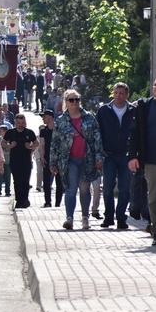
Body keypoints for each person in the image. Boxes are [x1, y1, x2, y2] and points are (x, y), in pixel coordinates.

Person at [49, 90, 103, 231]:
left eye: (77, 99)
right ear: (66, 102)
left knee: (85, 189)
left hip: (87, 160)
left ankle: (85, 217)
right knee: (71, 188)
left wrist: (99, 159)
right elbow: (54, 143)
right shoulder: (61, 121)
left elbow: (97, 140)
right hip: (69, 160)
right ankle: (69, 218)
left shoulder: (89, 119)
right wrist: (53, 163)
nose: (74, 102)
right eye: (71, 100)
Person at [128, 74, 156, 245]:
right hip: (152, 161)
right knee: (155, 198)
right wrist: (133, 156)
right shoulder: (145, 107)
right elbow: (134, 133)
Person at [97, 83, 134, 229]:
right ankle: (108, 217)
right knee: (107, 187)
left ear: (127, 95)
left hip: (126, 155)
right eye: (116, 93)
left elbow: (137, 133)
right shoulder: (104, 111)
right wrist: (99, 152)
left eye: (121, 93)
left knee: (124, 189)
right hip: (109, 155)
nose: (118, 96)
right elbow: (97, 133)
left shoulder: (133, 111)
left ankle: (121, 218)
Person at [3, 114, 38, 208]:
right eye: (18, 123)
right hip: (14, 161)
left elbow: (36, 143)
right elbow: (3, 142)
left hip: (26, 161)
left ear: (25, 123)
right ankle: (19, 200)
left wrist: (30, 147)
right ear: (15, 123)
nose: (20, 125)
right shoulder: (11, 132)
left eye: (22, 123)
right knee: (17, 180)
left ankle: (25, 199)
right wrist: (10, 146)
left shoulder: (29, 132)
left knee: (25, 181)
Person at [38, 110, 62, 208]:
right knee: (46, 181)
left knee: (59, 182)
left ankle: (58, 203)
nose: (43, 118)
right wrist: (42, 157)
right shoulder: (43, 131)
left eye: (44, 116)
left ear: (50, 117)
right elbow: (42, 145)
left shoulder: (59, 129)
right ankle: (48, 201)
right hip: (48, 157)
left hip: (59, 158)